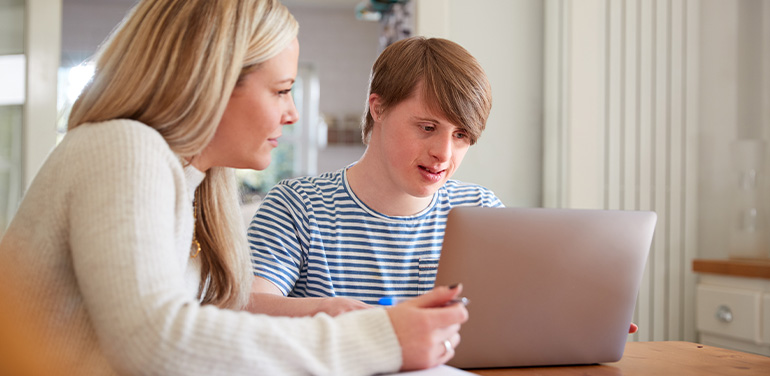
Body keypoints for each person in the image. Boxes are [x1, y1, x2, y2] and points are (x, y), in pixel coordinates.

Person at [0, 1, 468, 375]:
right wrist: (380, 338)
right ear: (213, 82)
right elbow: (153, 343)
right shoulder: (125, 147)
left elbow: (204, 327)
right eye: (281, 90)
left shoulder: (196, 184)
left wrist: (327, 313)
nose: (293, 114)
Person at [247, 36, 502, 317]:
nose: (444, 154)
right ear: (378, 108)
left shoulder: (481, 210)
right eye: (428, 127)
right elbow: (246, 306)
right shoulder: (296, 206)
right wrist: (327, 311)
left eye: (460, 135)